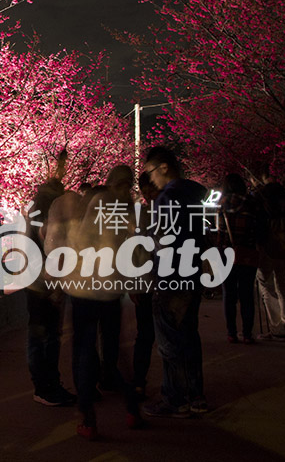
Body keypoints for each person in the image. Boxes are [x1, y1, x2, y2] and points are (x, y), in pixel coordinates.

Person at [65, 165, 144, 439]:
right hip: (112, 291)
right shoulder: (130, 208)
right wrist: (135, 285)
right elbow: (136, 251)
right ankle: (132, 408)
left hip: (86, 290)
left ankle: (88, 419)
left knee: (84, 353)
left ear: (110, 181)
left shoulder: (101, 201)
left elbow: (82, 243)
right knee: (116, 352)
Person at [141, 146, 209, 418]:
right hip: (191, 275)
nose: (151, 179)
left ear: (164, 167)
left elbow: (162, 242)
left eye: (151, 172)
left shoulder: (167, 198)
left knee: (169, 341)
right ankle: (196, 395)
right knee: (189, 336)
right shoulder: (194, 196)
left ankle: (175, 398)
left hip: (170, 278)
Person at [24, 176, 75, 407]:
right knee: (47, 337)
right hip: (43, 285)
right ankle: (46, 388)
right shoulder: (45, 216)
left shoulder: (34, 212)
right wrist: (55, 287)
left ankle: (47, 385)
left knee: (42, 335)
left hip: (35, 283)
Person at [217, 173, 262, 343]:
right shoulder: (251, 203)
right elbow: (256, 228)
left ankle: (231, 333)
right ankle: (247, 334)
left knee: (228, 294)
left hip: (226, 253)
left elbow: (220, 231)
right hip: (247, 252)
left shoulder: (222, 204)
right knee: (246, 294)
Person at [255, 171, 285, 341]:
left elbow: (257, 221)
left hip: (267, 245)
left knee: (265, 284)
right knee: (283, 284)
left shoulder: (261, 195)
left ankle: (275, 327)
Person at [131, 171, 159, 399]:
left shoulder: (146, 212)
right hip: (150, 282)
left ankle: (139, 381)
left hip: (156, 282)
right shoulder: (142, 213)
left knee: (147, 335)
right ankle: (139, 381)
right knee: (146, 334)